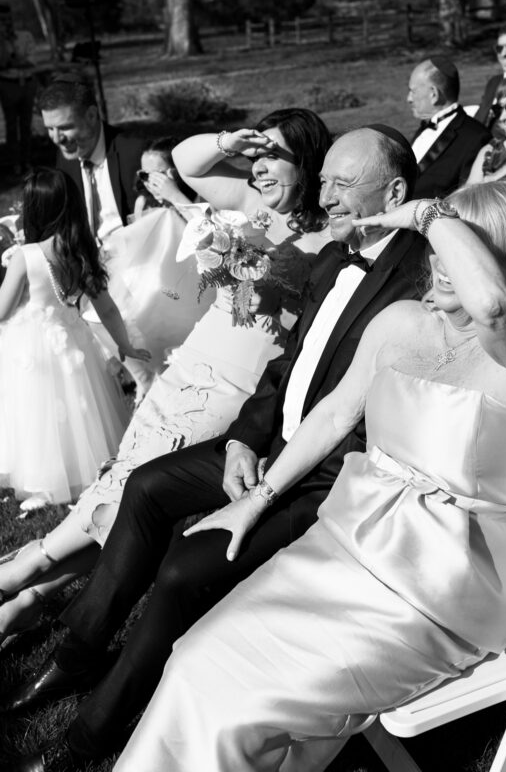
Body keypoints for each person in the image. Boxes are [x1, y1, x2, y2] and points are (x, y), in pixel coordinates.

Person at [0, 126, 426, 772]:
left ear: (393, 191)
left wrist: (262, 488)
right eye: (327, 181)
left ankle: (88, 735)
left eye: (344, 184)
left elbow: (346, 413)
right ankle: (78, 651)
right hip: (265, 436)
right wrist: (241, 444)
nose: (328, 196)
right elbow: (283, 369)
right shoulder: (339, 258)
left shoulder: (416, 277)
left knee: (179, 570)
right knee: (144, 488)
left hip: (327, 474)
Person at [115, 181, 506, 772]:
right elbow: (333, 414)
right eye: (433, 239)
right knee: (193, 661)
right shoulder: (402, 323)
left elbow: (495, 307)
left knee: (240, 706)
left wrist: (426, 213)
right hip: (341, 550)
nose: (435, 254)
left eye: (455, 241)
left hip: (437, 590)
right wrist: (255, 501)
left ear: (500, 259)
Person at [0, 109, 330, 648]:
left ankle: (21, 571)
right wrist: (230, 140)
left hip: (233, 388)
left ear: (308, 162)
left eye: (275, 155)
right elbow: (185, 160)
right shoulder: (250, 202)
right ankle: (27, 598)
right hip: (189, 364)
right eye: (258, 153)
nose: (261, 166)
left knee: (134, 487)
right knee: (122, 484)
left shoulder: (326, 239)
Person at [0, 169, 149, 515]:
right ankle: (76, 469)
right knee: (72, 412)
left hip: (30, 349)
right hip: (72, 342)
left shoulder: (25, 256)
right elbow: (108, 309)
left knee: (33, 411)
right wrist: (123, 345)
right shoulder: (80, 252)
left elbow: (3, 309)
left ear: (34, 210)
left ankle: (42, 479)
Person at [88, 138, 207, 396]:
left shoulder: (197, 201)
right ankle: (144, 379)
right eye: (142, 174)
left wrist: (175, 197)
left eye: (155, 175)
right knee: (105, 313)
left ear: (174, 175)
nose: (146, 181)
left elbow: (204, 238)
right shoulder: (144, 203)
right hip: (156, 281)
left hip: (190, 285)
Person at [39, 76, 145, 242]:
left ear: (91, 115)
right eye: (50, 129)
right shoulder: (66, 157)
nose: (56, 138)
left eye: (65, 127)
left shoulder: (134, 153)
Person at [407, 55, 490, 196]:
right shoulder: (424, 128)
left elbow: (468, 199)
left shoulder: (475, 138)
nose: (408, 99)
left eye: (413, 91)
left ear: (434, 94)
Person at [0, 10, 38, 175]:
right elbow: (2, 64)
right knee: (11, 126)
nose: (7, 22)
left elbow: (31, 62)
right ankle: (14, 163)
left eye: (8, 18)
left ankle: (27, 160)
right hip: (8, 85)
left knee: (26, 124)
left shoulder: (25, 36)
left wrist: (13, 63)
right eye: (2, 20)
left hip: (27, 83)